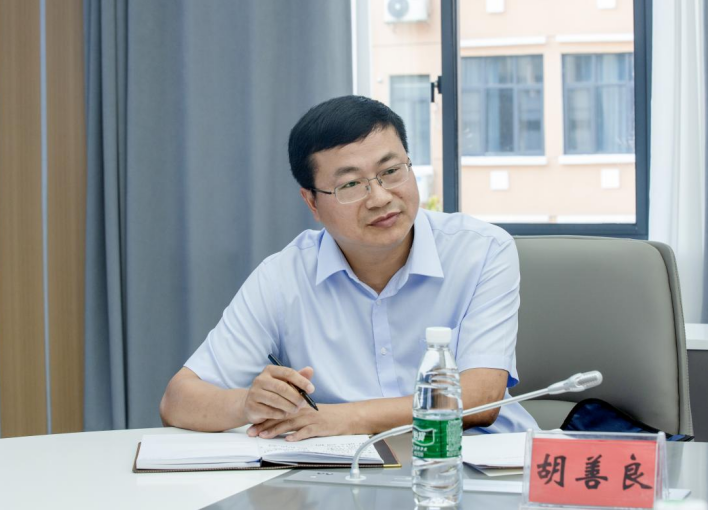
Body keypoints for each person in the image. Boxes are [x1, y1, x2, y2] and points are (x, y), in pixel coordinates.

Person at [160, 95, 538, 441]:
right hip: (345, 473)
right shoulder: (282, 277)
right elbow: (177, 401)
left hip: (479, 462)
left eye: (392, 171)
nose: (380, 198)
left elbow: (480, 399)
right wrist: (246, 404)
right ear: (312, 202)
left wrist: (344, 418)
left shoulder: (482, 250)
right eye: (351, 184)